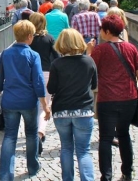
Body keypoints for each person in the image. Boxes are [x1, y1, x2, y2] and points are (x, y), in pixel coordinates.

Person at [88, 14, 138, 181]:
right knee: (124, 134)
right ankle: (127, 173)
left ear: (107, 31)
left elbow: (91, 71)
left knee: (106, 138)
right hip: (129, 98)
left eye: (101, 29)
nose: (99, 31)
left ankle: (106, 176)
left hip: (107, 99)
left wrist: (88, 52)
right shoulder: (131, 48)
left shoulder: (100, 50)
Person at [0, 20, 51, 180]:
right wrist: (45, 105)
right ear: (29, 36)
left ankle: (5, 174)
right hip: (28, 101)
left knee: (10, 135)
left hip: (10, 100)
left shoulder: (5, 54)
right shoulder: (33, 55)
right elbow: (38, 81)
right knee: (31, 133)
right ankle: (33, 166)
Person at [47, 28, 97, 181]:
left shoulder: (57, 64)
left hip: (62, 111)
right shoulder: (89, 61)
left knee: (66, 148)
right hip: (83, 110)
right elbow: (94, 85)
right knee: (83, 150)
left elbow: (51, 89)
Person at [29, 12, 60, 156]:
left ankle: (32, 131)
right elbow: (57, 57)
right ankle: (40, 133)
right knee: (44, 106)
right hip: (46, 73)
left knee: (32, 106)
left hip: (29, 74)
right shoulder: (48, 38)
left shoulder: (28, 40)